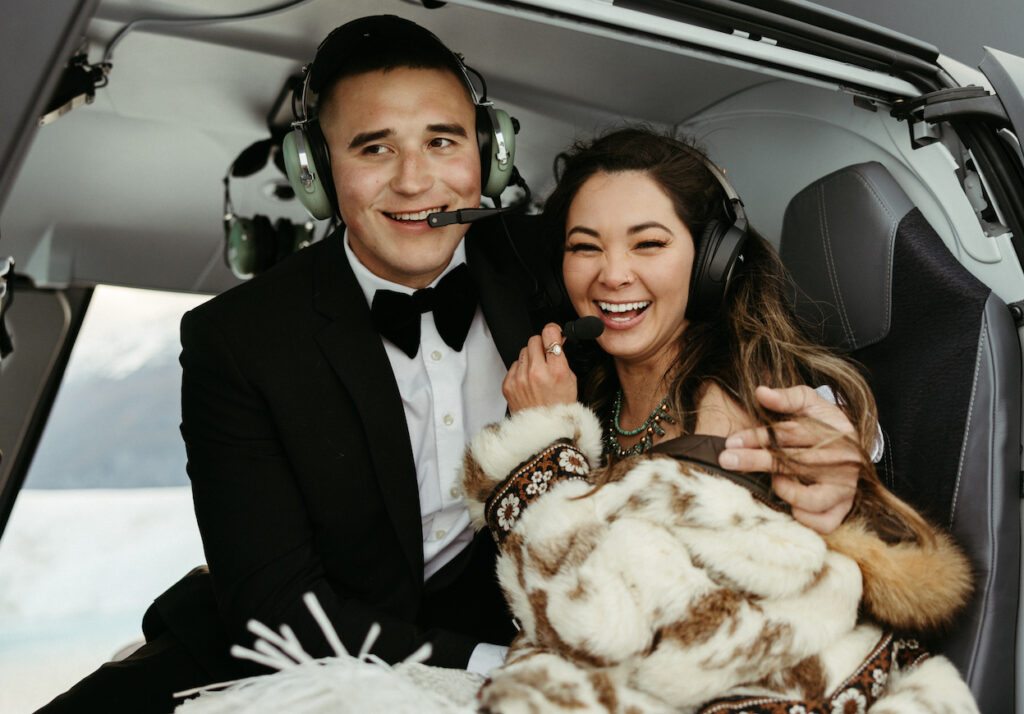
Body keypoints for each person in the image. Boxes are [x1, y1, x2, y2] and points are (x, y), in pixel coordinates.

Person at [37, 20, 860, 714]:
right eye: (373, 149)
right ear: (320, 175)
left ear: (489, 154)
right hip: (280, 651)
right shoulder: (237, 339)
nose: (416, 180)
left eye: (443, 141)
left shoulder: (562, 256)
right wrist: (493, 668)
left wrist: (840, 431)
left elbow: (687, 300)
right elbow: (278, 608)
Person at [460, 127, 975, 712]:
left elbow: (610, 629)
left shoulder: (740, 412)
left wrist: (538, 455)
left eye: (648, 244)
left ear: (713, 260)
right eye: (585, 247)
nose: (612, 274)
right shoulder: (596, 400)